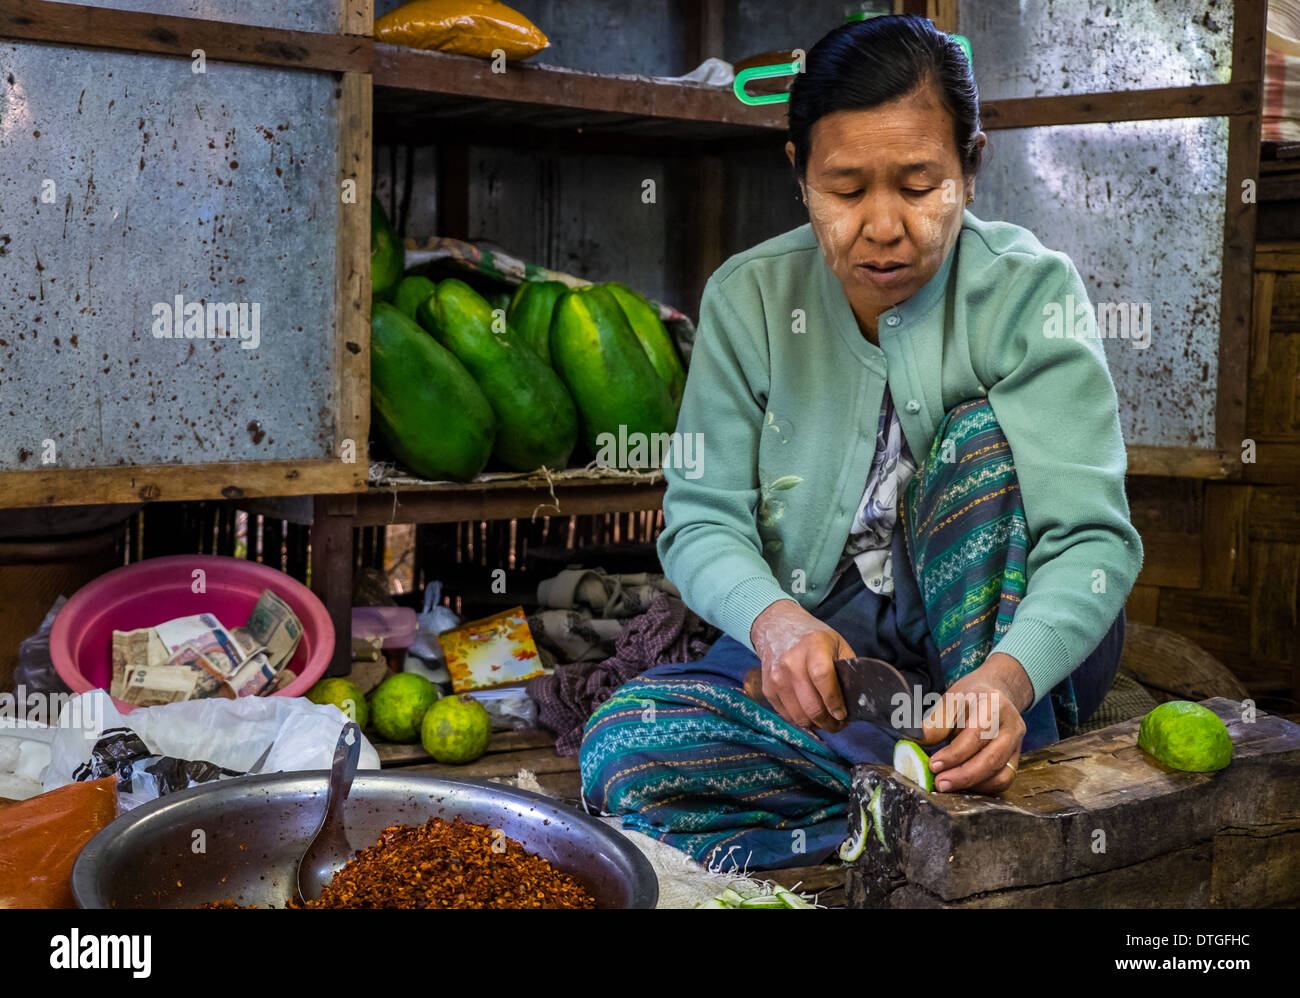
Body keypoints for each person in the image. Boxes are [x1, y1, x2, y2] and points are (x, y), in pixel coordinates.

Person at [579, 13, 1144, 871]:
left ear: (972, 167)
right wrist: (775, 628)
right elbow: (701, 522)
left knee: (979, 449)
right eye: (846, 190)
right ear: (798, 173)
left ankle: (986, 751)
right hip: (841, 671)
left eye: (919, 186)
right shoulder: (749, 299)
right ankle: (909, 805)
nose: (883, 225)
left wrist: (1007, 680)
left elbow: (1091, 539)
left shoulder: (1030, 293)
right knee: (623, 749)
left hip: (1009, 646)